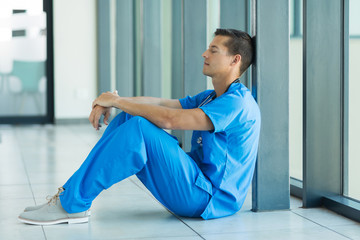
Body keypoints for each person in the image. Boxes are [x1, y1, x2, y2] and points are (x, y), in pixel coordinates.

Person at [18, 28, 260, 225]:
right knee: (128, 118)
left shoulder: (236, 103)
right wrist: (113, 99)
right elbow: (165, 104)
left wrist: (116, 101)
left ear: (235, 60)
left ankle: (71, 203)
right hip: (195, 182)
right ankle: (70, 198)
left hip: (208, 198)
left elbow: (170, 120)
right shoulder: (212, 97)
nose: (204, 54)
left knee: (139, 129)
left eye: (213, 50)